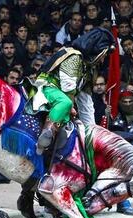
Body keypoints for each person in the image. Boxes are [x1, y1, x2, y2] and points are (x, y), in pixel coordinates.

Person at [32, 27, 115, 155]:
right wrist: (70, 109)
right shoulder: (73, 56)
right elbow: (67, 87)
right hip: (48, 87)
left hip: (64, 96)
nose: (103, 60)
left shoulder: (88, 68)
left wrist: (91, 131)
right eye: (103, 55)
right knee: (65, 104)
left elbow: (85, 100)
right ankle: (45, 136)